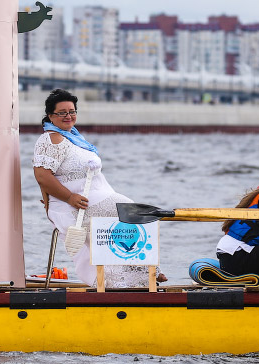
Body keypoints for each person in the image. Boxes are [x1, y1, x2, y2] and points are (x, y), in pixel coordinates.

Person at [32, 88, 164, 287]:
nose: (68, 116)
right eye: (62, 112)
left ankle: (138, 275)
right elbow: (42, 175)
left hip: (89, 200)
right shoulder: (51, 139)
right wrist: (67, 198)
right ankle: (140, 274)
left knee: (132, 219)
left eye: (72, 111)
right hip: (75, 205)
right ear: (50, 116)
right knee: (135, 213)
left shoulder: (73, 138)